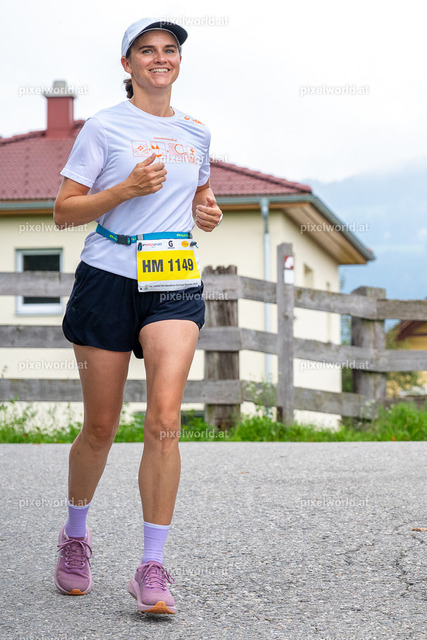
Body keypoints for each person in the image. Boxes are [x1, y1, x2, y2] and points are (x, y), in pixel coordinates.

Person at [53, 17, 223, 615]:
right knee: (101, 427)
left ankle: (152, 565)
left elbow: (199, 196)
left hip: (172, 277)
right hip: (107, 277)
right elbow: (63, 212)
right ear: (127, 65)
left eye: (169, 49)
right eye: (146, 50)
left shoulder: (196, 133)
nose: (160, 58)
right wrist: (123, 190)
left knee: (165, 419)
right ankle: (76, 535)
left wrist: (207, 211)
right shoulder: (103, 127)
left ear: (178, 61)